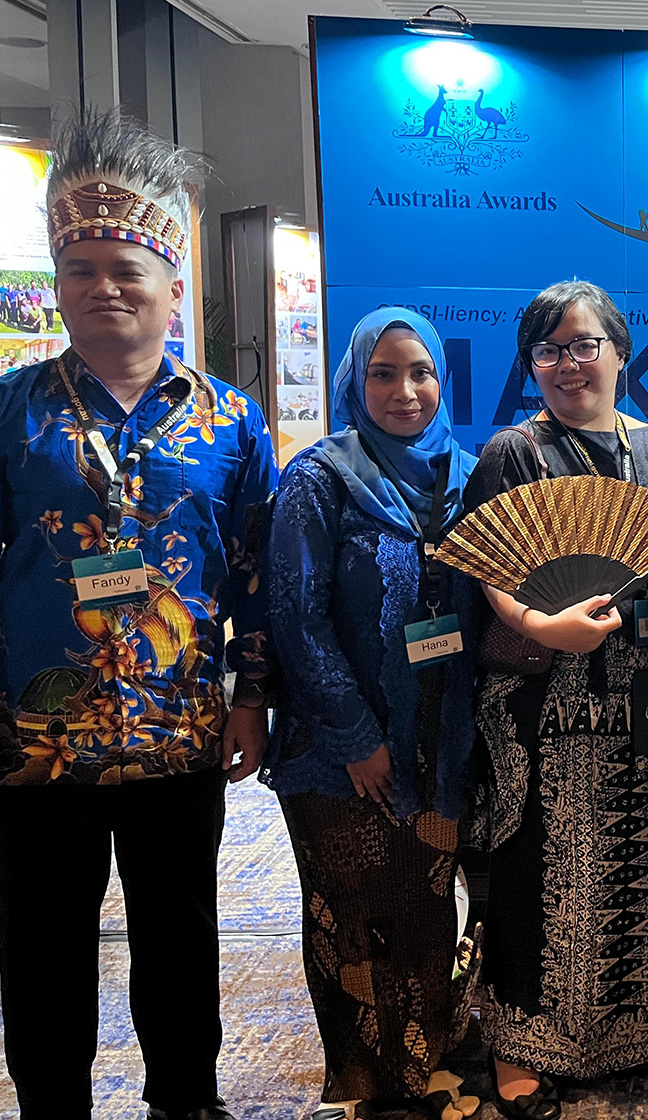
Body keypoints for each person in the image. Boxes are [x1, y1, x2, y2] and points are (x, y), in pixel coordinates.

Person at [0, 109, 276, 1120]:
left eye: (124, 266)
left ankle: (186, 1099)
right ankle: (51, 1105)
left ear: (169, 282)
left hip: (182, 729)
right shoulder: (11, 410)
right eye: (79, 269)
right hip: (37, 736)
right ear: (57, 287)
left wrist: (253, 701)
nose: (102, 287)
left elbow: (254, 578)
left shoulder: (231, 420)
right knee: (39, 938)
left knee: (179, 930)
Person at [465, 281, 648, 1120]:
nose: (569, 364)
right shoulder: (514, 454)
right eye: (549, 350)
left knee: (636, 859)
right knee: (535, 870)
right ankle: (521, 1046)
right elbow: (491, 568)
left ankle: (630, 1031)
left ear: (621, 353)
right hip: (542, 705)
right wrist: (541, 624)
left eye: (584, 344)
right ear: (531, 365)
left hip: (646, 699)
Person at [264, 308, 480, 1118]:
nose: (404, 390)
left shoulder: (466, 476)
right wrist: (355, 737)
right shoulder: (320, 479)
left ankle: (423, 1060)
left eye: (420, 372)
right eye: (383, 374)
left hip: (442, 742)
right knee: (355, 917)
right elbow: (296, 614)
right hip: (338, 749)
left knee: (426, 906)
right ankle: (367, 1081)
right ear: (354, 380)